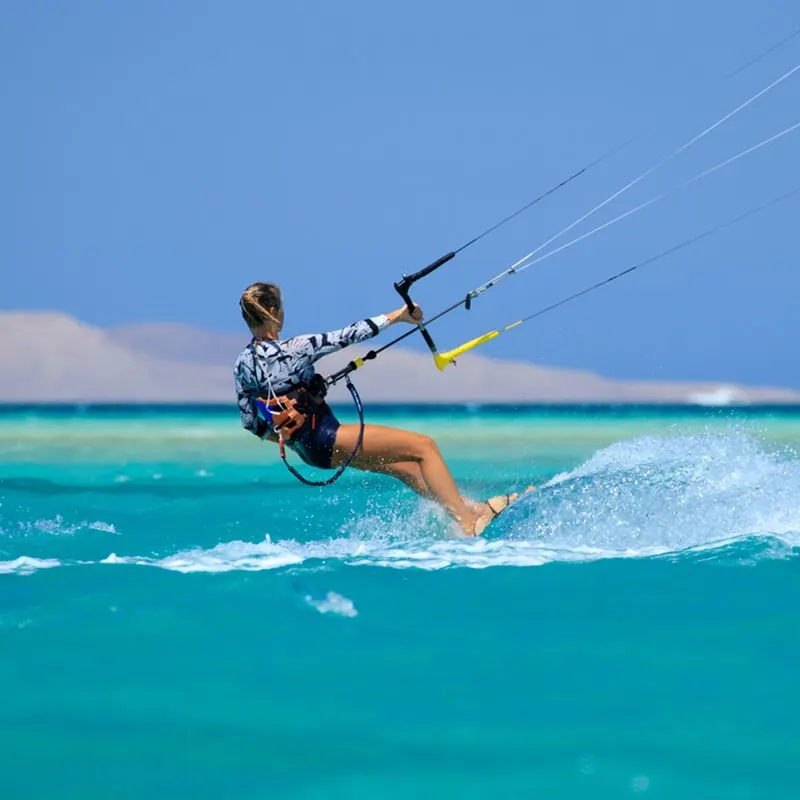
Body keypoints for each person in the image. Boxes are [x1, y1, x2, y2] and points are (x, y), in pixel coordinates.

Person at [233, 282, 531, 536]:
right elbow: (350, 334)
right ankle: (468, 526)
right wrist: (400, 315)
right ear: (274, 313)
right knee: (424, 447)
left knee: (406, 469)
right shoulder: (296, 348)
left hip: (309, 452)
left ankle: (474, 510)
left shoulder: (242, 365)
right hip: (327, 437)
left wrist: (292, 437)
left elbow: (251, 423)